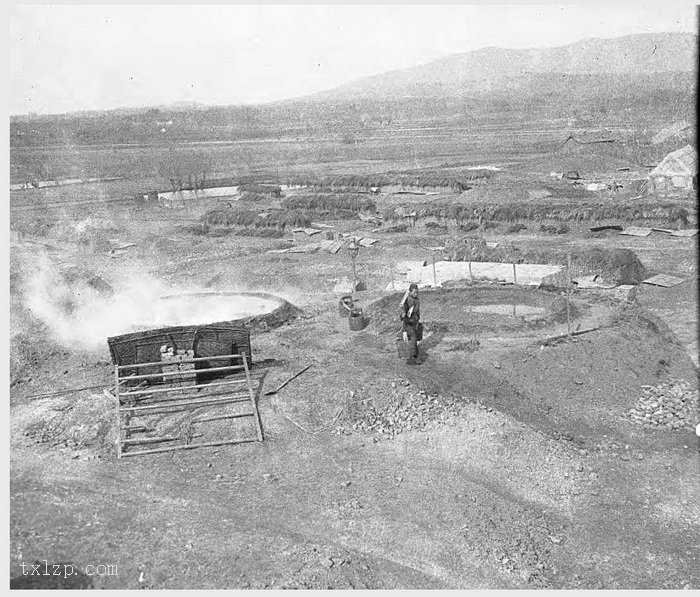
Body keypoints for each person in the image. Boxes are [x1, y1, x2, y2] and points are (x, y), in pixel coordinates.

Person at [400, 283, 421, 364]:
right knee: (413, 338)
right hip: (408, 322)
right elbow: (403, 308)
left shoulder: (416, 299)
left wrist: (417, 320)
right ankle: (415, 356)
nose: (416, 294)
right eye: (414, 292)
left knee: (413, 338)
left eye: (417, 292)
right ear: (410, 292)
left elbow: (417, 311)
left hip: (414, 321)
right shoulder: (407, 299)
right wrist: (403, 314)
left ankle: (411, 354)